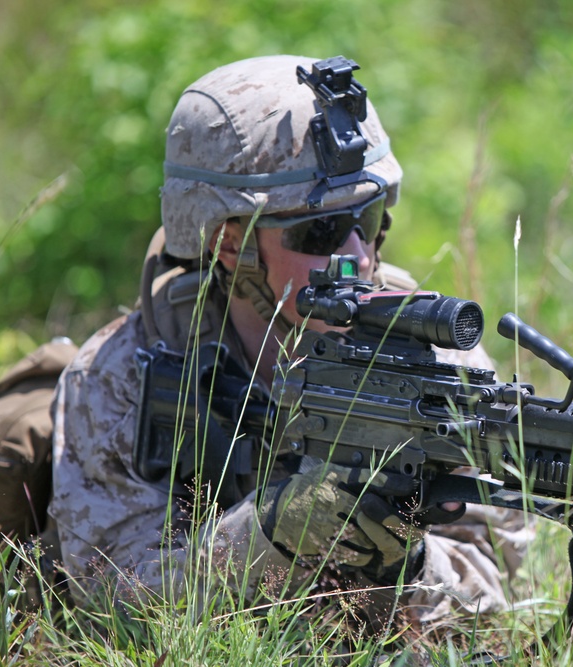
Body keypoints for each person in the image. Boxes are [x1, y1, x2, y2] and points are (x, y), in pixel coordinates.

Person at [48, 55, 530, 634]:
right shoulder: (120, 377)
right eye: (319, 231)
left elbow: (496, 595)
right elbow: (110, 604)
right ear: (231, 245)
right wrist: (270, 536)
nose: (357, 251)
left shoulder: (438, 360)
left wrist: (404, 563)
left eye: (369, 217)